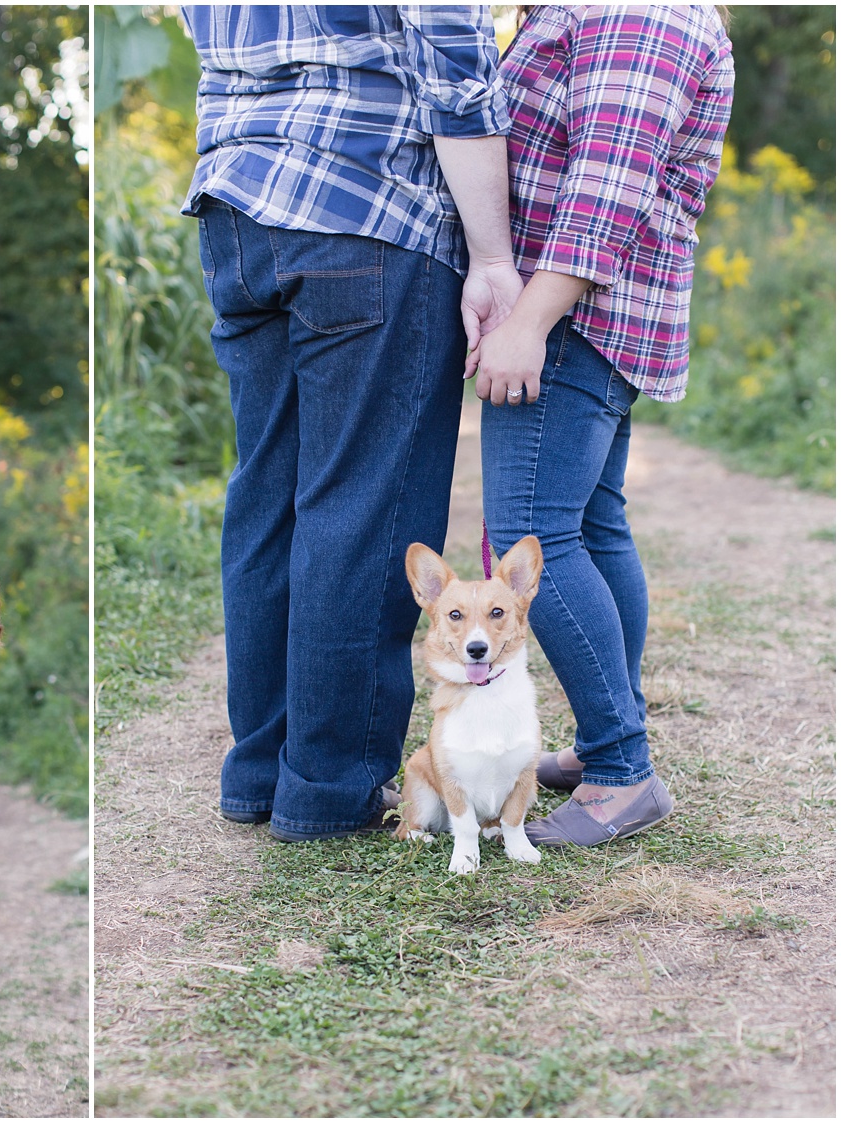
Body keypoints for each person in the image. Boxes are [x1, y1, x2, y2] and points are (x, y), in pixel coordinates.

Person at [181, 6, 523, 841]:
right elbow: (454, 58)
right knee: (362, 505)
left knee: (268, 494)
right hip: (367, 206)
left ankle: (261, 769)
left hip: (236, 208)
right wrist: (491, 257)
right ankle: (328, 786)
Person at [473, 6, 734, 846]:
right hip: (593, 314)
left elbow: (607, 185)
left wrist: (526, 323)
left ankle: (624, 769)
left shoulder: (641, 7)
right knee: (588, 523)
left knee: (529, 529)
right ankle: (604, 744)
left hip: (576, 317)